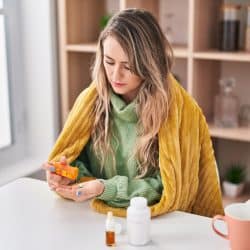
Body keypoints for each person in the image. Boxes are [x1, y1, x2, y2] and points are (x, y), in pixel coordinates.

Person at [43, 8, 224, 217]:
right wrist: (68, 175)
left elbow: (167, 190)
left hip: (154, 223)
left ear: (149, 64)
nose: (115, 74)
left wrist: (104, 188)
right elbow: (78, 163)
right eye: (109, 62)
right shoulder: (90, 102)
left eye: (128, 66)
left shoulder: (180, 111)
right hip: (94, 218)